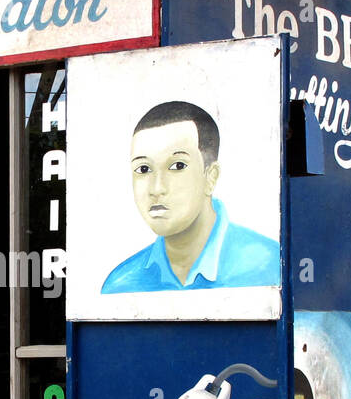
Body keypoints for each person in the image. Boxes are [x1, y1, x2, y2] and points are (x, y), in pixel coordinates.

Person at [101, 101, 280, 293]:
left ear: (211, 176)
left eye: (177, 166)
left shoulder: (270, 265)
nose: (157, 188)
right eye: (143, 169)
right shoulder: (120, 285)